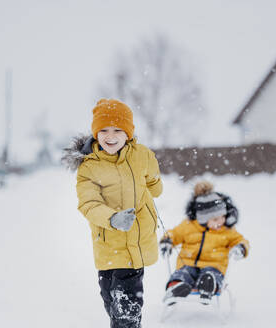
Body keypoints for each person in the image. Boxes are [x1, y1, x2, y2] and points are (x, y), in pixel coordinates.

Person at [62, 99, 163, 328]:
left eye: (118, 130)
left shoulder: (142, 155)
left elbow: (152, 175)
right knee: (111, 301)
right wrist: (112, 218)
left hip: (136, 242)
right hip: (108, 245)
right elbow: (88, 203)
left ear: (128, 132)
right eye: (104, 130)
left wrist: (155, 184)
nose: (111, 136)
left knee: (127, 309)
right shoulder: (89, 166)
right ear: (96, 133)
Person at [160, 181, 249, 302]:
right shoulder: (188, 226)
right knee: (182, 274)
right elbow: (174, 234)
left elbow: (240, 240)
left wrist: (241, 247)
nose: (220, 221)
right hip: (187, 263)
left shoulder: (227, 231)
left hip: (214, 266)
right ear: (203, 218)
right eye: (215, 219)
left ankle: (208, 286)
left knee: (211, 275)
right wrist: (167, 242)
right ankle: (176, 287)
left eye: (223, 217)